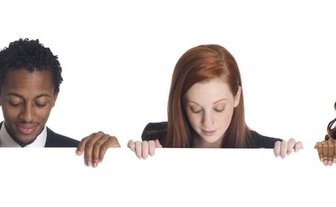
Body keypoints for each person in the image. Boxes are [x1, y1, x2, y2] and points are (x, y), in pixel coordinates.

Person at [0, 38, 119, 167]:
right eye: (15, 102)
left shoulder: (85, 157)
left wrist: (122, 165)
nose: (28, 116)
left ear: (55, 97)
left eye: (41, 103)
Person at [128, 44, 302, 158]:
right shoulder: (154, 137)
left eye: (219, 108)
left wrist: (298, 159)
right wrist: (142, 162)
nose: (208, 122)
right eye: (195, 109)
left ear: (236, 97)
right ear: (180, 103)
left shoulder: (269, 150)